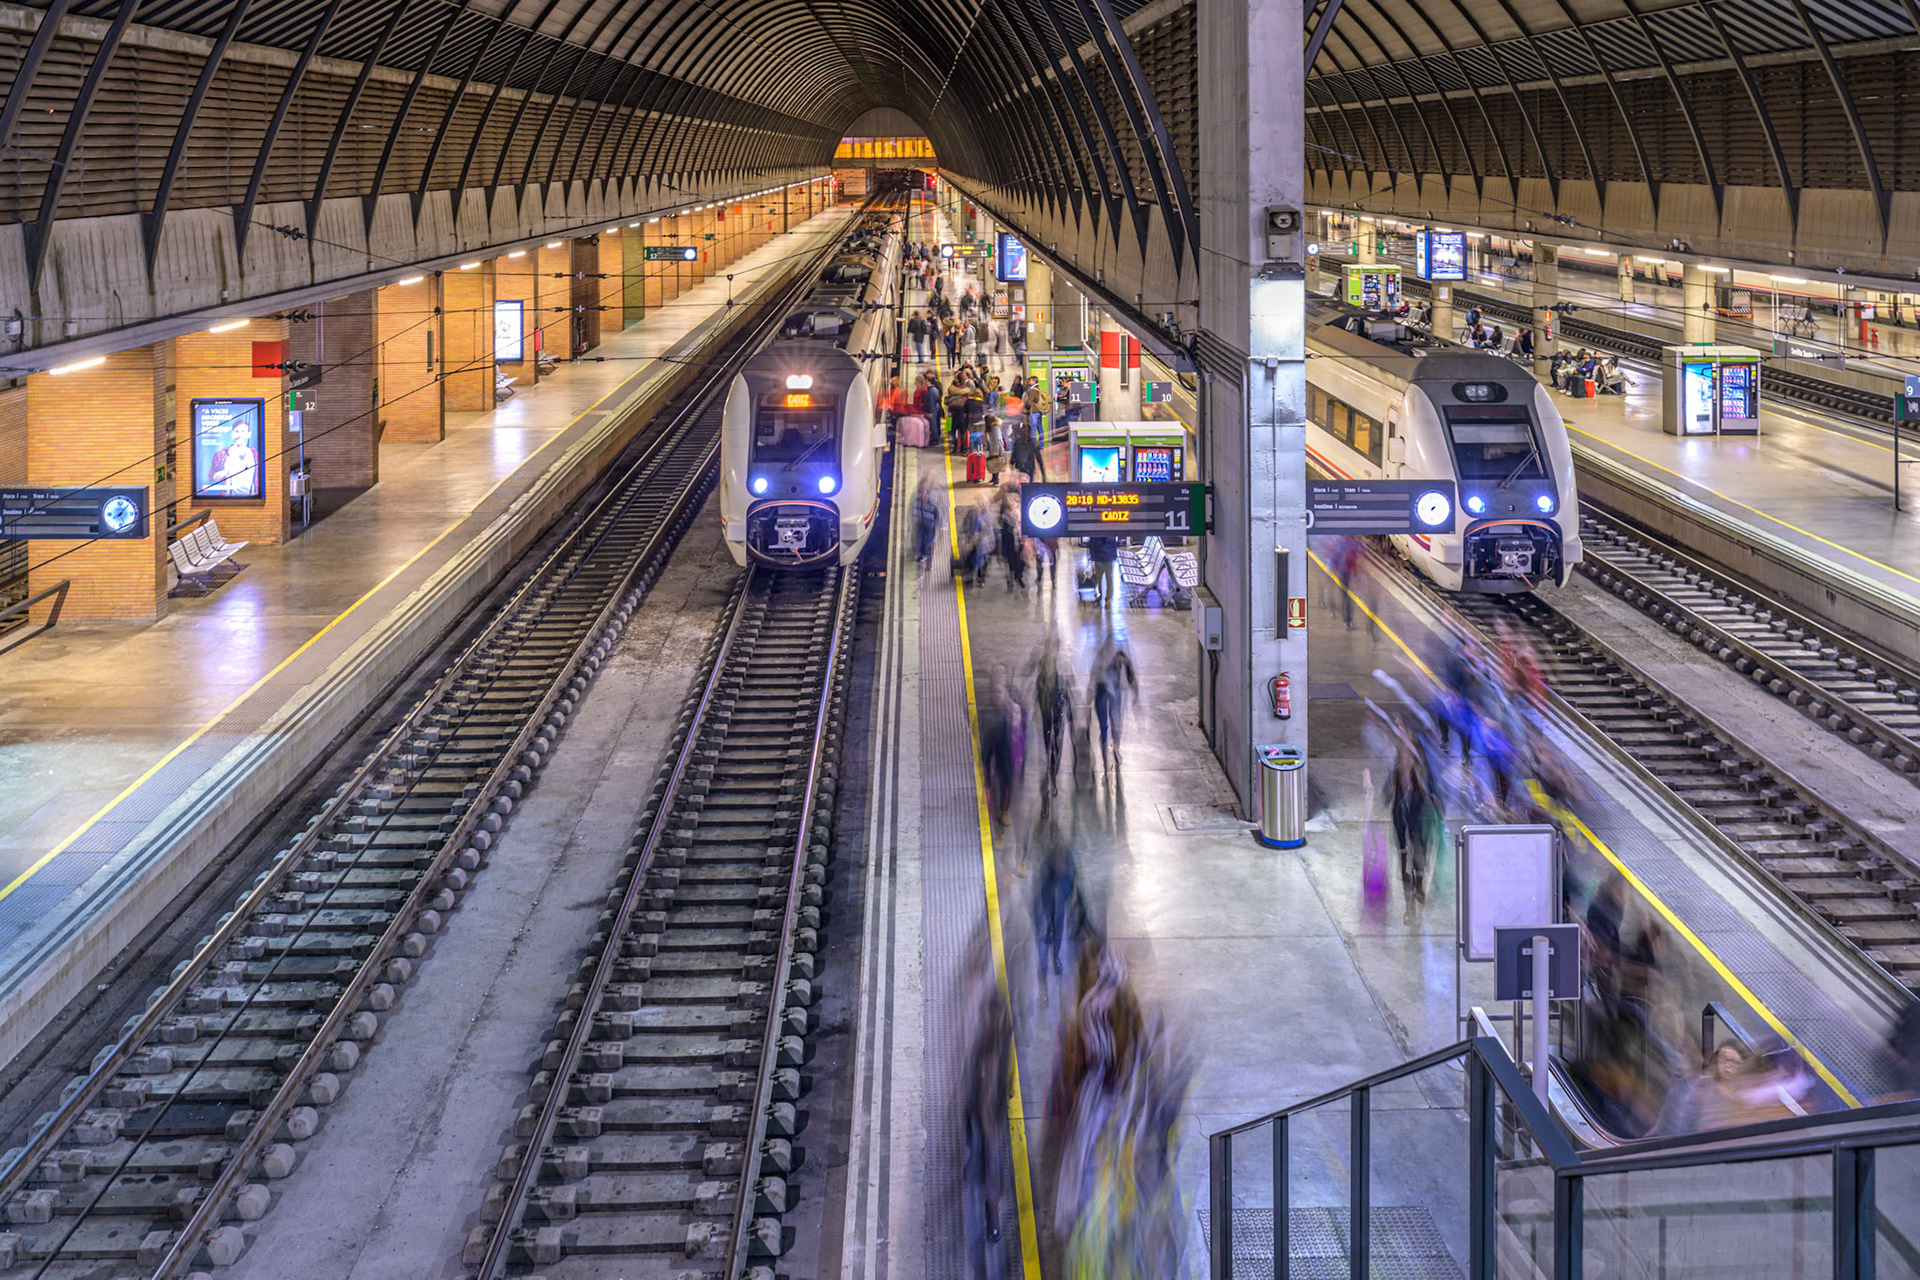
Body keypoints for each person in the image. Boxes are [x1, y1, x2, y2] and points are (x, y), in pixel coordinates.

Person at [1090, 641, 1139, 771]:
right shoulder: (1101, 655)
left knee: (1115, 722)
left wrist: (1135, 691)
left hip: (1113, 694)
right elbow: (1093, 674)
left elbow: (1130, 674)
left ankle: (1115, 746)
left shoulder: (1119, 656)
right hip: (1102, 692)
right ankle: (1107, 746)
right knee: (1104, 725)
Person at [912, 471, 943, 571]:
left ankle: (929, 562)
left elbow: (938, 512)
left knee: (929, 543)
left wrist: (941, 524)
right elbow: (914, 509)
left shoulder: (933, 501)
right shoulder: (918, 499)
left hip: (930, 524)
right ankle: (921, 556)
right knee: (920, 540)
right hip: (920, 523)